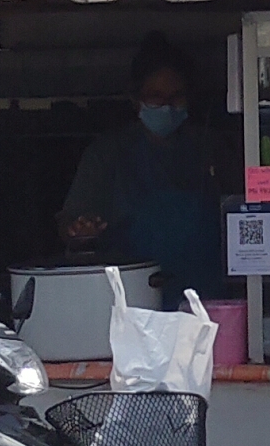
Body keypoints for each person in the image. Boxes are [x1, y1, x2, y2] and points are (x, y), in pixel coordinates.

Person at [59, 35, 227, 298]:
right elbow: (70, 225)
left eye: (176, 97)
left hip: (209, 300)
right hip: (132, 300)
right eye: (155, 97)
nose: (166, 106)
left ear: (190, 97)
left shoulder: (212, 148)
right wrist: (80, 231)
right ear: (135, 99)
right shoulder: (108, 153)